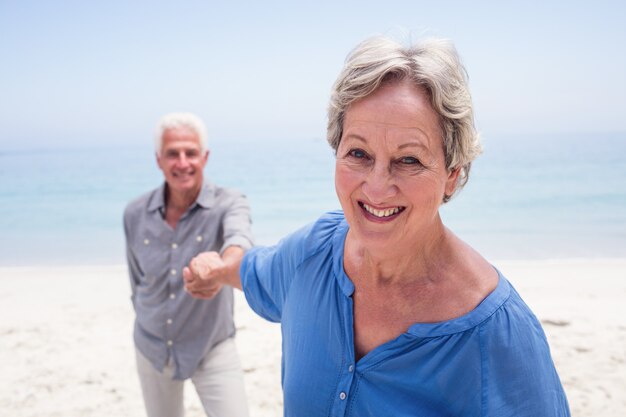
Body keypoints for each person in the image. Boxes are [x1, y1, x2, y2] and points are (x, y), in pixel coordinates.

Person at [184, 37, 571, 416]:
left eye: (409, 160)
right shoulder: (313, 253)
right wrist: (215, 271)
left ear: (453, 174)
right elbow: (257, 270)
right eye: (358, 153)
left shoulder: (498, 334)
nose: (377, 186)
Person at [123, 112, 253, 417]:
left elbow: (240, 242)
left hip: (212, 346)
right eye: (172, 154)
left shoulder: (229, 203)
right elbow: (136, 280)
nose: (182, 162)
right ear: (158, 160)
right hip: (151, 347)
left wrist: (221, 270)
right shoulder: (134, 213)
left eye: (190, 152)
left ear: (204, 157)